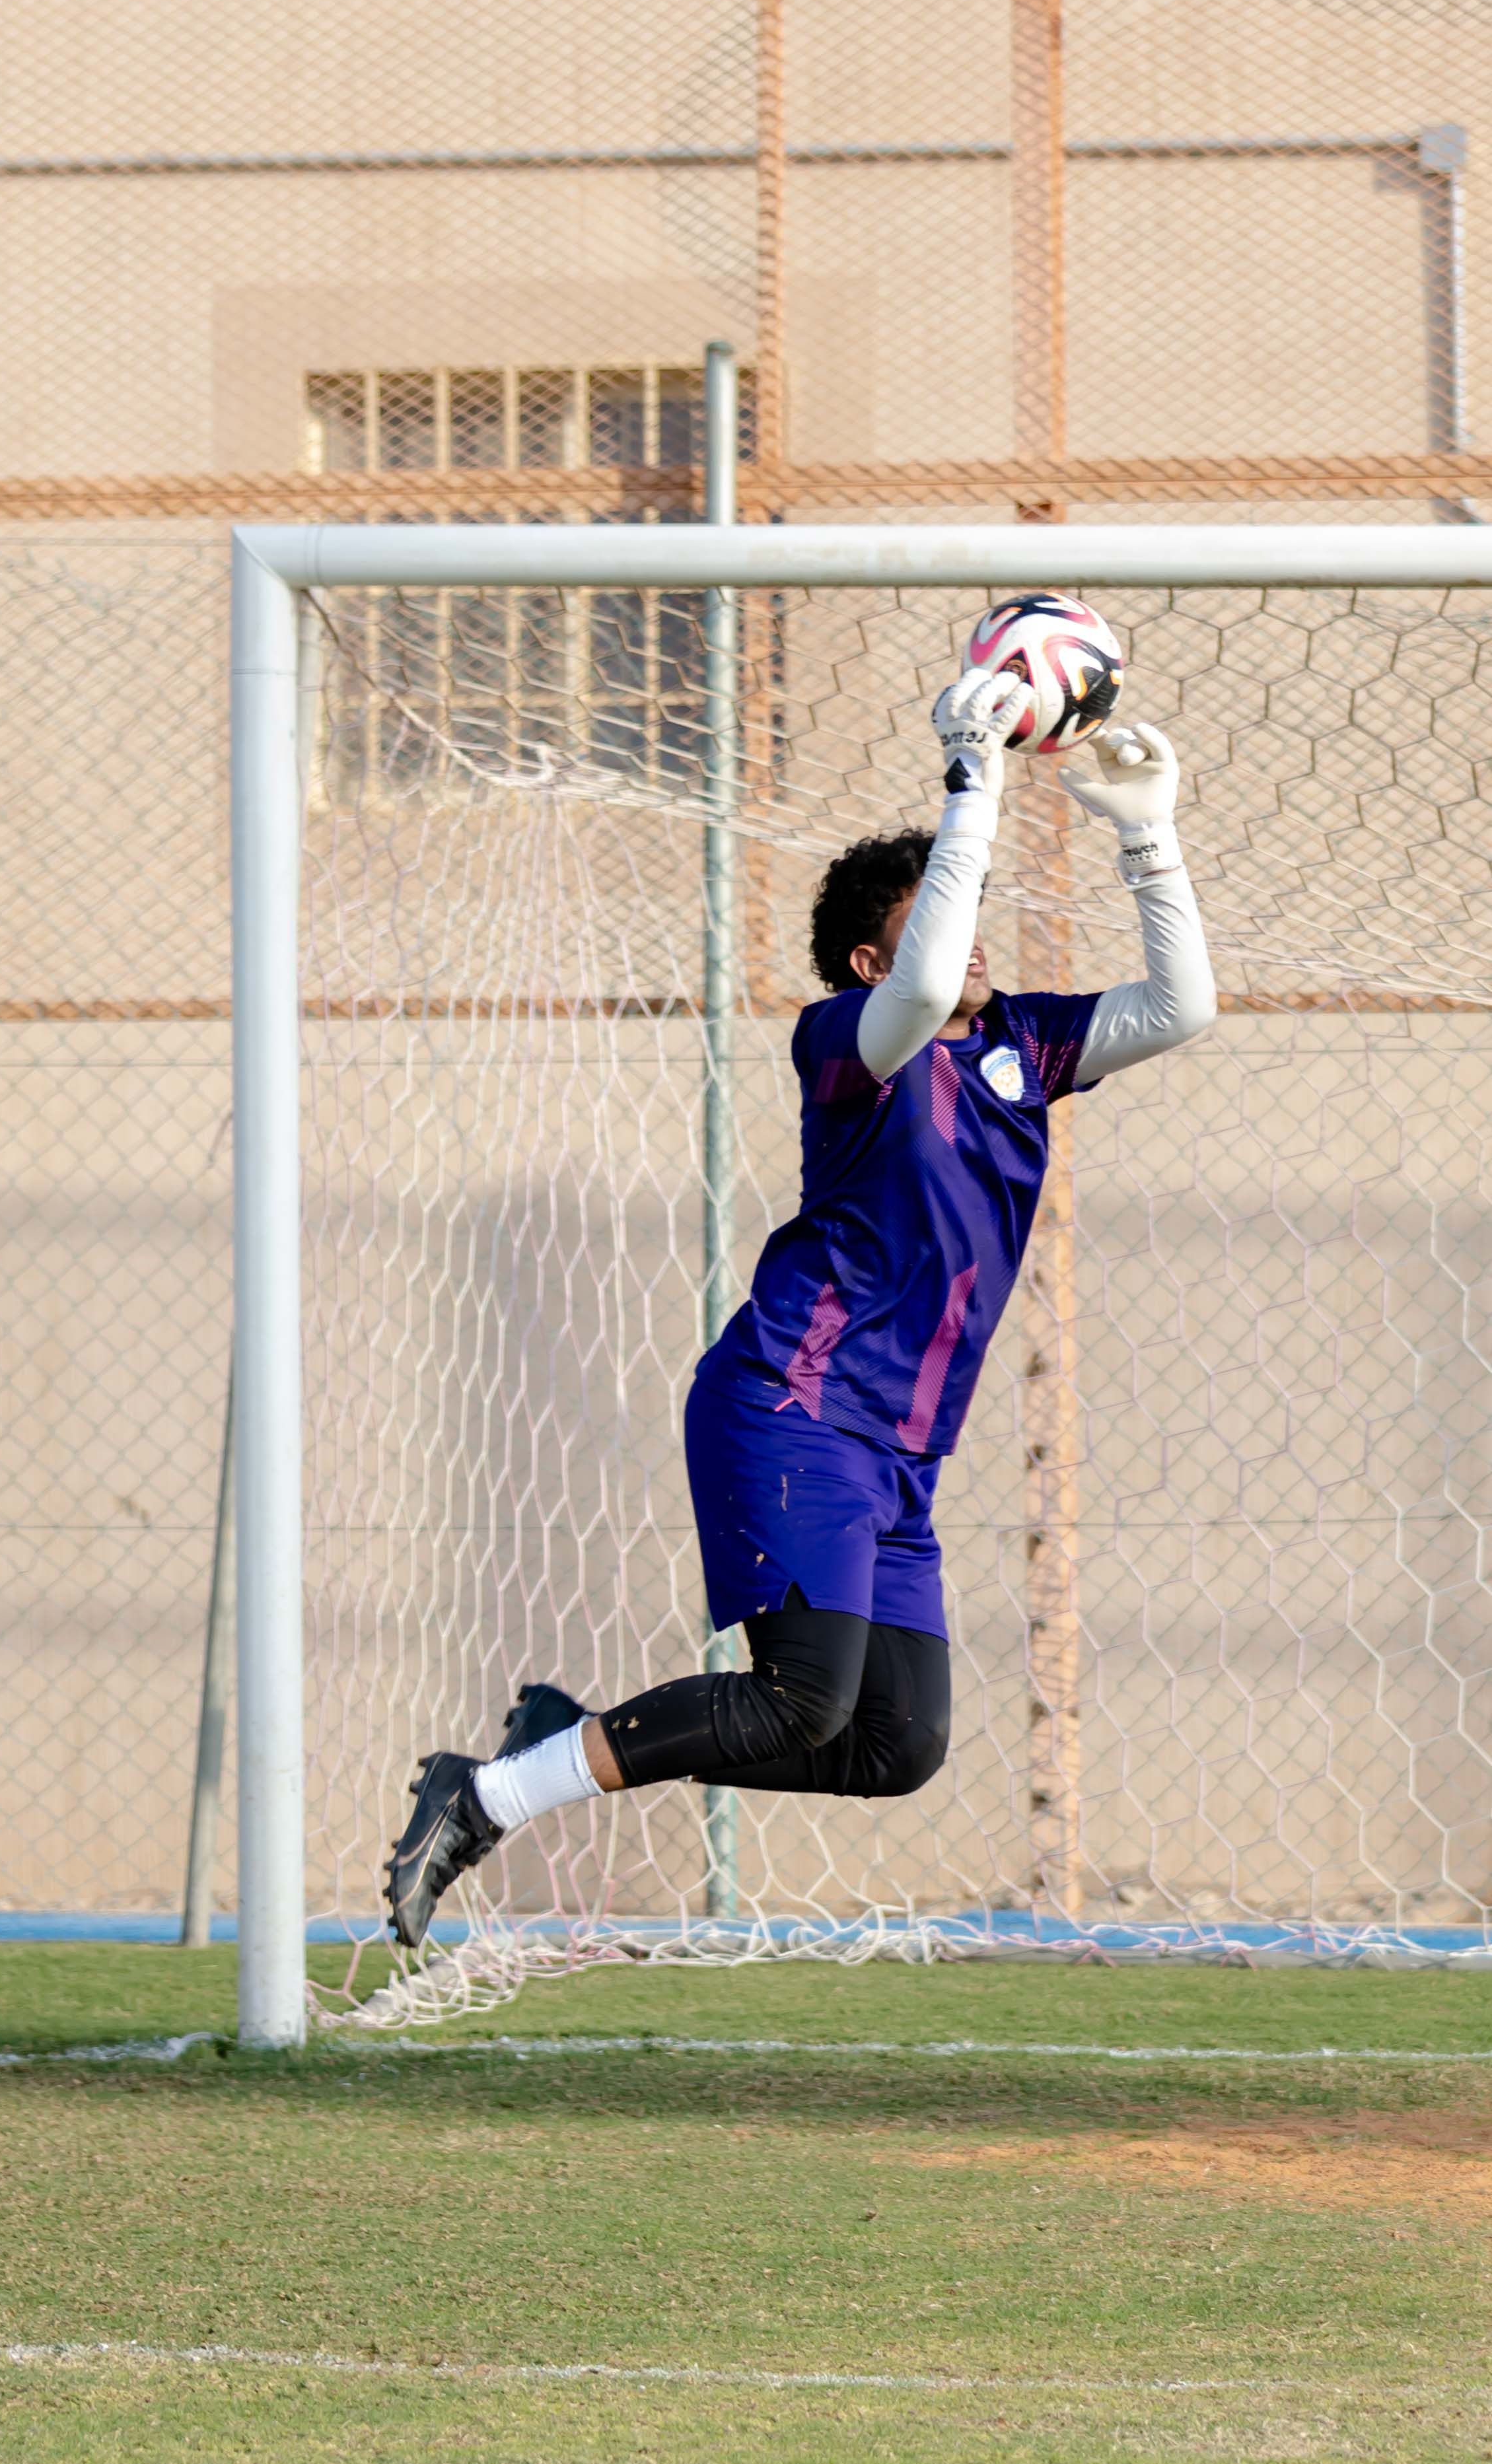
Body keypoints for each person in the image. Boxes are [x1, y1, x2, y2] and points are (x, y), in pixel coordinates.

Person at [378, 662, 1216, 1945]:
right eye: (947, 912)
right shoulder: (848, 1045)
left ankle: (561, 1746)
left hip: (900, 1458)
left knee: (894, 1743)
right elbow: (924, 989)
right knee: (796, 1701)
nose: (973, 937)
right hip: (796, 1409)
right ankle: (488, 1795)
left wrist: (1148, 833)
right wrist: (971, 775)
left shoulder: (1024, 1052)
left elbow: (1180, 1007)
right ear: (875, 957)